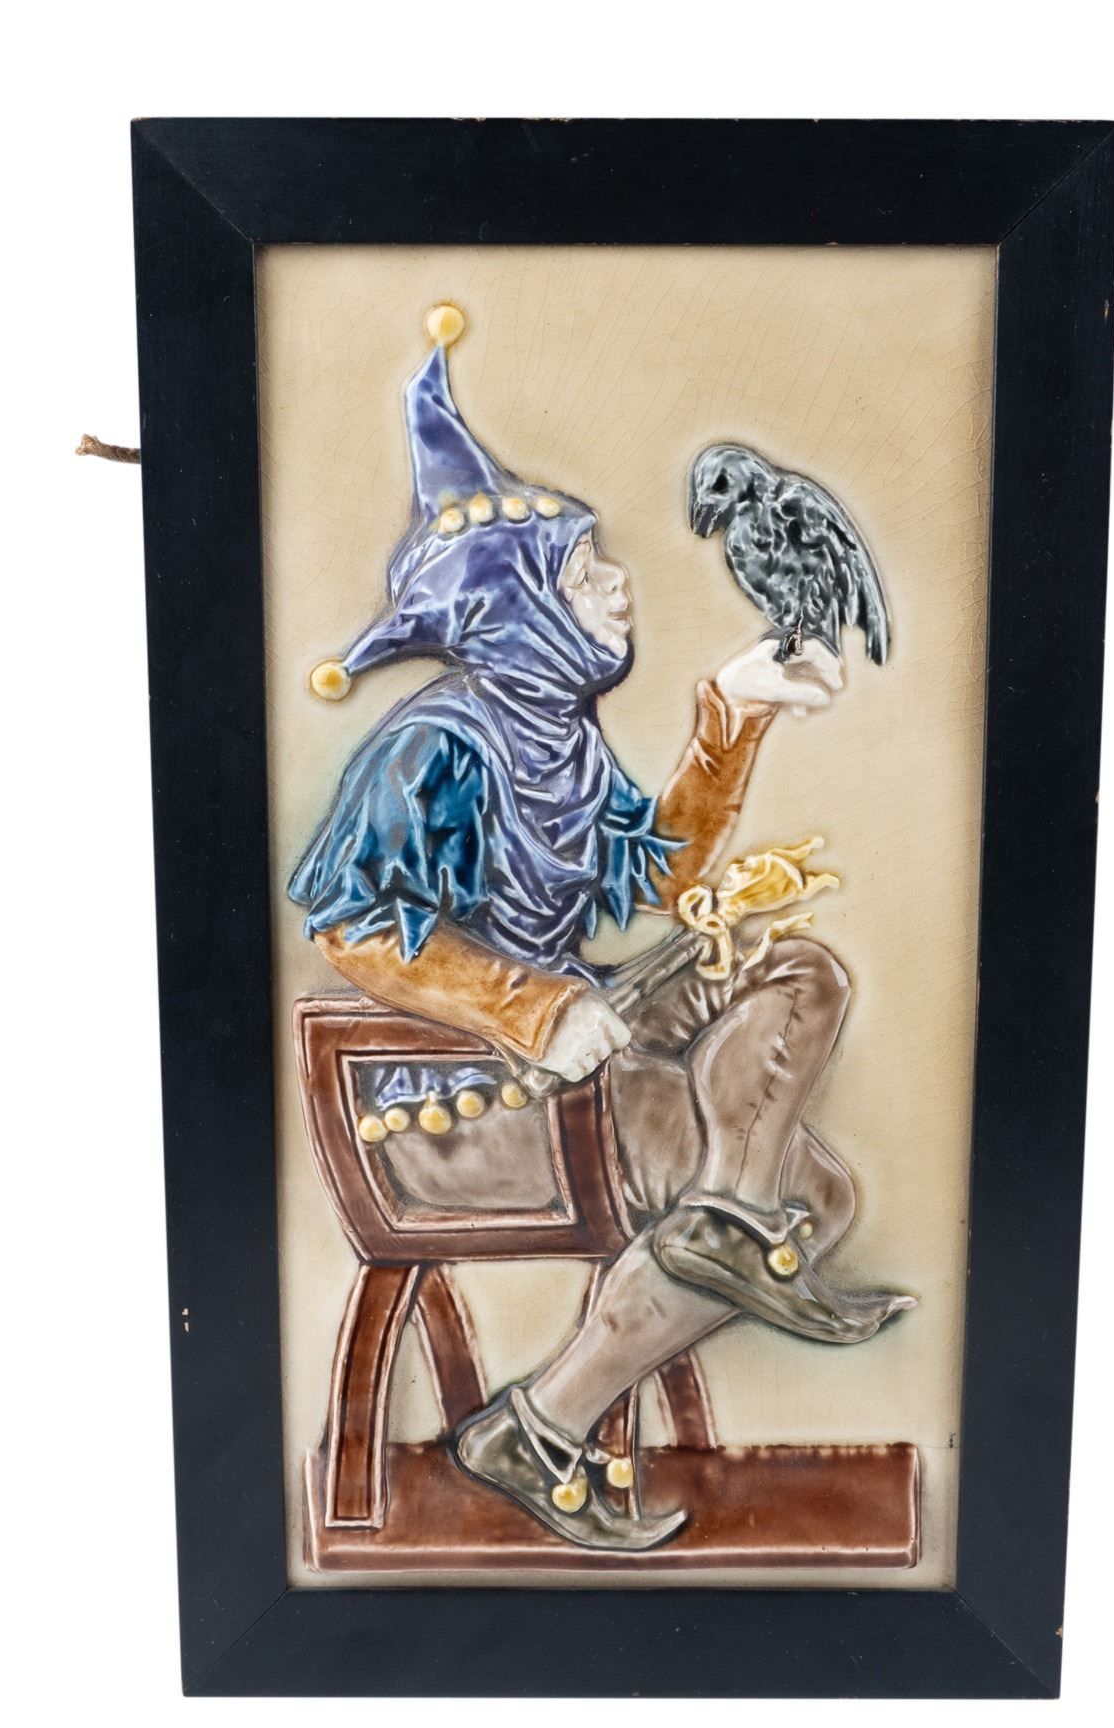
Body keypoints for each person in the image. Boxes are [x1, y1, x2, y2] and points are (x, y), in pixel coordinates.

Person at [289, 304, 913, 1552]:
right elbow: (351, 929)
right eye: (584, 574)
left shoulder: (558, 739)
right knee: (810, 1191)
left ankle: (692, 1252)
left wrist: (734, 713)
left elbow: (652, 877)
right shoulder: (435, 745)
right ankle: (587, 1377)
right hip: (461, 1103)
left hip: (568, 1067)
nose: (620, 583)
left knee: (797, 976)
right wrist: (536, 1006)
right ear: (514, 608)